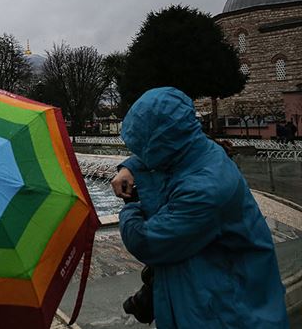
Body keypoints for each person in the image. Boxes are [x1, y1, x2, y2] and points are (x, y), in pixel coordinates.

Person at [111, 87, 287, 328]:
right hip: (210, 296)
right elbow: (163, 155)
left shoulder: (206, 189)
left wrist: (130, 209)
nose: (139, 152)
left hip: (227, 313)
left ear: (160, 143)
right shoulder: (195, 149)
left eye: (142, 146)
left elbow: (147, 241)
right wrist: (129, 167)